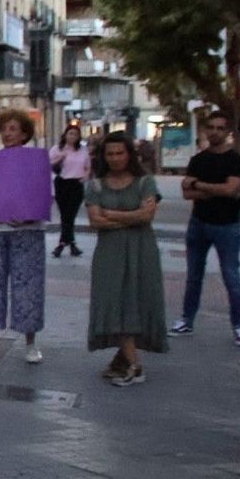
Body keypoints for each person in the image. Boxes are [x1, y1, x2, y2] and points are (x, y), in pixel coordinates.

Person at [85, 131, 167, 385]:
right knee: (113, 300)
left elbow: (147, 216)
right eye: (110, 153)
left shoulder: (145, 182)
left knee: (137, 298)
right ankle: (132, 363)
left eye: (120, 153)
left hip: (142, 249)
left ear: (129, 154)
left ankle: (127, 362)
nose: (115, 158)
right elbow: (95, 221)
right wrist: (131, 216)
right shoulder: (95, 185)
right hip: (109, 252)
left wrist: (113, 214)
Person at [0, 109, 47, 362]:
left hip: (27, 232)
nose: (7, 133)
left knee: (28, 286)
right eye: (4, 128)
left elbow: (43, 194)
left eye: (13, 128)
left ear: (25, 133)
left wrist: (29, 214)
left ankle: (30, 343)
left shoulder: (36, 161)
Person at [173, 109, 240, 346]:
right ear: (206, 130)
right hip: (199, 223)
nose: (215, 132)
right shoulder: (198, 160)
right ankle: (187, 320)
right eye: (211, 127)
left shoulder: (237, 161)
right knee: (193, 276)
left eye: (220, 128)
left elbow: (230, 190)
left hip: (227, 226)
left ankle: (238, 325)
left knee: (231, 277)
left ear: (227, 132)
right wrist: (214, 189)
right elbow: (187, 193)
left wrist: (200, 185)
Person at [49, 123, 91, 258]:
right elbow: (48, 164)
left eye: (75, 134)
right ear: (65, 135)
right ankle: (70, 243)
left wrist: (85, 177)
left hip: (76, 184)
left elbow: (88, 166)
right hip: (62, 183)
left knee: (71, 215)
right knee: (64, 215)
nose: (72, 137)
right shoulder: (57, 148)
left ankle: (63, 243)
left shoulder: (82, 150)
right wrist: (60, 157)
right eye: (70, 133)